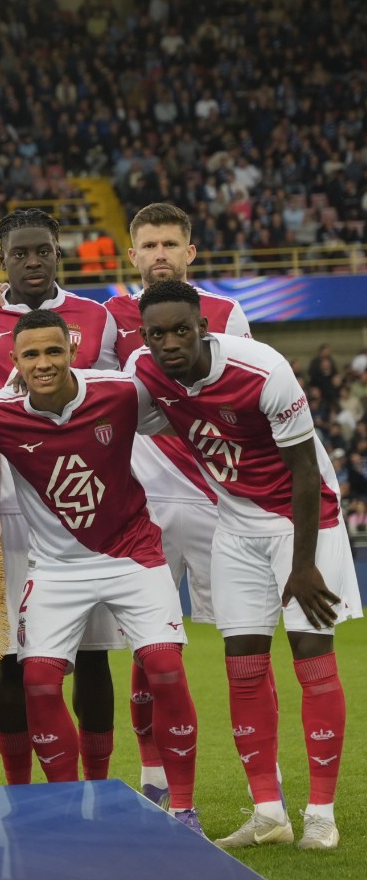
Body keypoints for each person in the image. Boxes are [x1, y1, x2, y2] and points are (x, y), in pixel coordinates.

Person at [135, 281, 361, 850]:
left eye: (180, 330)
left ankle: (321, 816)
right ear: (145, 338)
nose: (169, 343)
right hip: (235, 526)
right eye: (157, 334)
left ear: (203, 329)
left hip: (304, 521)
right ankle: (268, 813)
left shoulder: (264, 369)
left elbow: (306, 471)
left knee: (312, 654)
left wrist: (304, 564)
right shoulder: (147, 374)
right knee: (243, 664)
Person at [0, 310, 202, 831]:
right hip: (54, 566)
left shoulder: (121, 393)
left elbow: (184, 414)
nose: (44, 363)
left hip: (132, 554)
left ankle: (185, 809)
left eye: (53, 351)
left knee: (165, 667)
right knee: (38, 680)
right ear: (14, 362)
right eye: (31, 355)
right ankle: (69, 812)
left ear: (72, 351)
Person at [0, 208, 120, 786]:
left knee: (93, 653)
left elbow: (106, 401)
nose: (33, 262)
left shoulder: (95, 317)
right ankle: (19, 788)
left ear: (59, 253)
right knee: (13, 654)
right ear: (1, 259)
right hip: (9, 504)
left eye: (43, 252)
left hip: (82, 503)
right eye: (20, 254)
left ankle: (100, 783)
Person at [106, 201, 251, 806]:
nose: (160, 254)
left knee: (244, 641)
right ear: (132, 254)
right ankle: (154, 778)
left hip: (220, 499)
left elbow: (241, 403)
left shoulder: (226, 313)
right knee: (150, 643)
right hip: (144, 504)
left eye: (171, 244)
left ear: (191, 253)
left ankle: (260, 789)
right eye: (149, 245)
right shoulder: (108, 317)